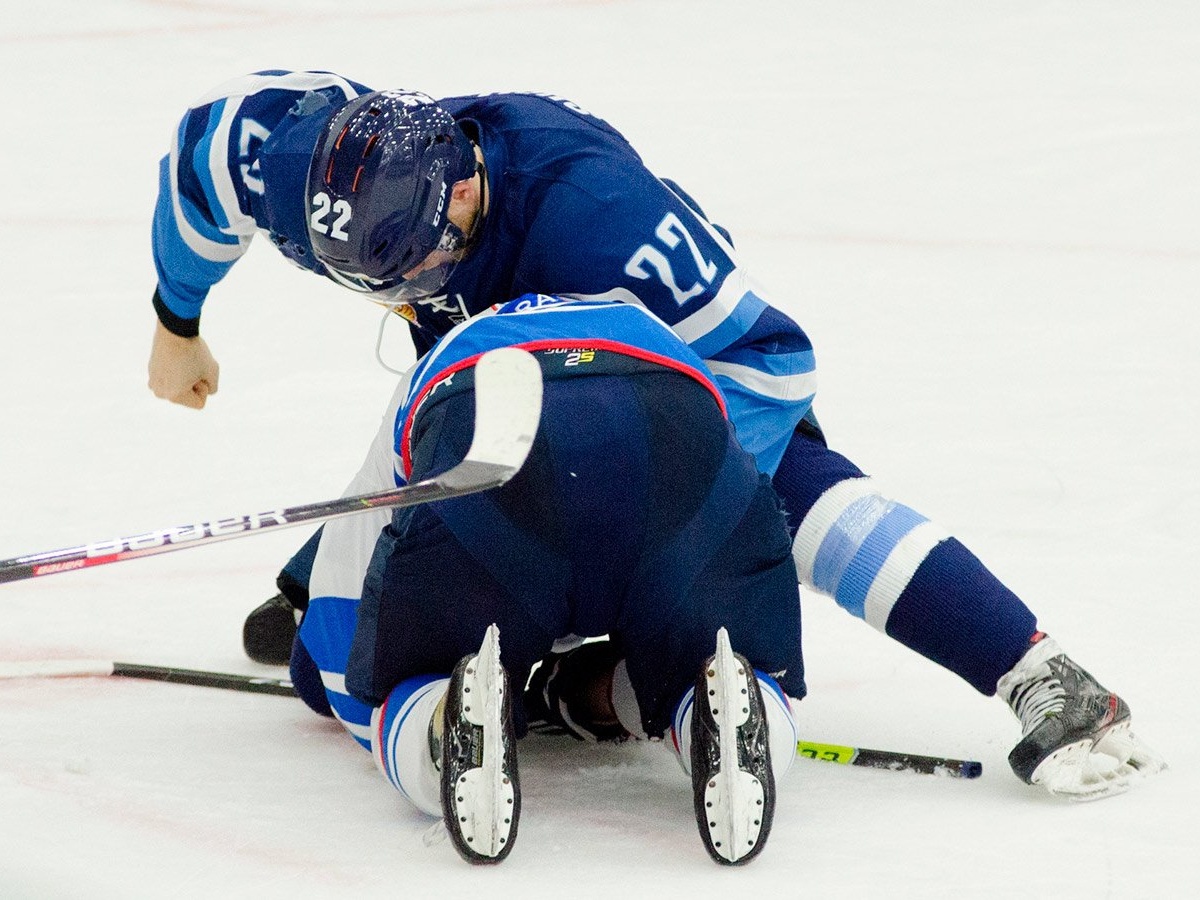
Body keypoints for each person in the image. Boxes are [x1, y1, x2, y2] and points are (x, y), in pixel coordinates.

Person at [148, 71, 1163, 800]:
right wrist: (175, 322)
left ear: (461, 188)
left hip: (664, 371)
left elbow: (773, 366)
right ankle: (595, 670)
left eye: (424, 266)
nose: (414, 293)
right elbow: (199, 167)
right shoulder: (299, 151)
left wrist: (692, 523)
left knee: (787, 492)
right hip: (502, 382)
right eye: (386, 282)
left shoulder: (599, 222)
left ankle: (1035, 671)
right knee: (357, 598)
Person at [290, 293, 804, 864]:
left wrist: (347, 690)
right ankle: (739, 713)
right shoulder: (644, 321)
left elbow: (339, 599)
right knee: (704, 655)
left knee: (406, 688)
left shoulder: (441, 352)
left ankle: (439, 729)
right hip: (672, 415)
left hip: (486, 434)